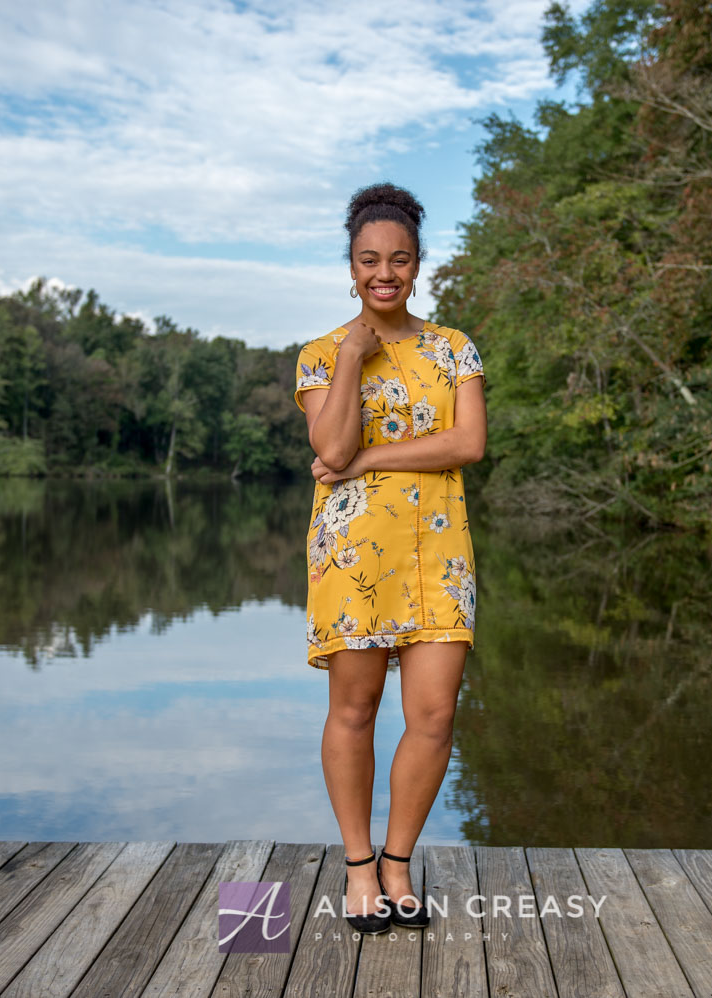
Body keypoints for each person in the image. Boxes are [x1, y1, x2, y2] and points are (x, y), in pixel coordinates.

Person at [292, 182, 487, 935]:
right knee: (355, 709)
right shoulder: (318, 355)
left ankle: (400, 858)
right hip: (353, 556)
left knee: (434, 716)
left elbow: (466, 445)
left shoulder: (453, 347)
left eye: (398, 259)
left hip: (440, 553)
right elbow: (328, 449)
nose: (384, 272)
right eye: (369, 259)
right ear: (350, 265)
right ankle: (358, 865)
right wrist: (352, 356)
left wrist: (370, 456)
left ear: (417, 264)